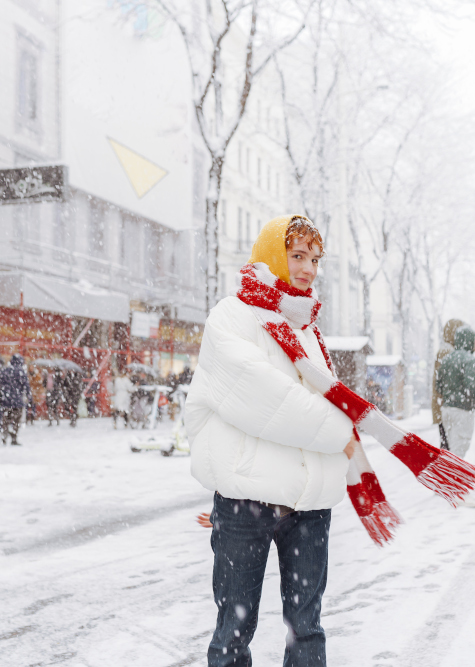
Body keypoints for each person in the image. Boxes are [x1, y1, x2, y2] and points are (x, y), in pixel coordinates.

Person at [186, 215, 362, 667]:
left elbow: (321, 398)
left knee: (307, 630)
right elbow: (264, 397)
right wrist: (339, 432)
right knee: (234, 631)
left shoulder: (305, 327)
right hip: (247, 499)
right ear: (271, 255)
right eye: (297, 255)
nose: (308, 269)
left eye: (315, 259)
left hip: (309, 505)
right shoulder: (232, 316)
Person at [436, 325, 475, 508]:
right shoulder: (470, 360)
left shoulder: (447, 359)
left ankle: (451, 487)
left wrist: (449, 395)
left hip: (447, 409)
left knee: (452, 448)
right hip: (462, 409)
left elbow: (439, 385)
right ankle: (457, 492)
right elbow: (472, 386)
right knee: (459, 449)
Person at [431, 318, 464, 451]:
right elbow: (443, 380)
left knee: (449, 444)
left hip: (445, 404)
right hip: (446, 404)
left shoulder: (449, 349)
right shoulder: (447, 351)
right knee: (449, 445)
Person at [0, 354, 31, 446]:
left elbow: (0, 385)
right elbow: (26, 386)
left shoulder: (5, 370)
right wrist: (29, 396)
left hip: (6, 400)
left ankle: (4, 436)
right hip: (17, 401)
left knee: (6, 419)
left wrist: (1, 396)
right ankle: (14, 438)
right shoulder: (21, 372)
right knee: (16, 420)